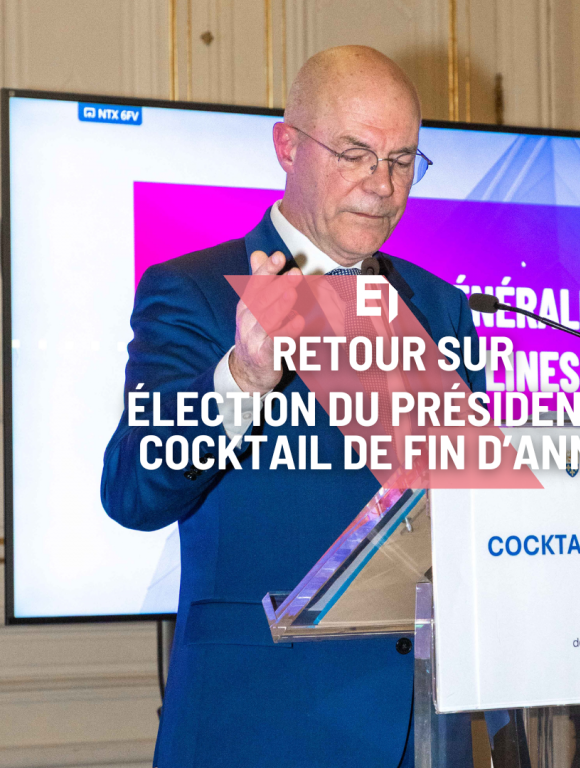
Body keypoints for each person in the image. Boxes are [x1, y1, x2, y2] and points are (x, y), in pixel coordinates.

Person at [102, 45, 484, 768]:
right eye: (355, 154)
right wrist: (242, 378)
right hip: (262, 728)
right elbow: (132, 493)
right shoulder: (195, 291)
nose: (382, 185)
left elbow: (461, 517)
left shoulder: (441, 308)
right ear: (287, 146)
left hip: (426, 733)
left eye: (403, 160)